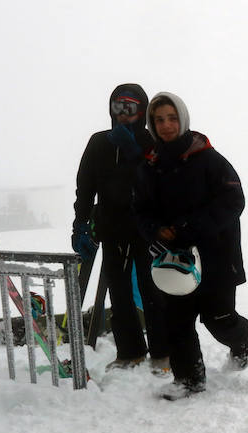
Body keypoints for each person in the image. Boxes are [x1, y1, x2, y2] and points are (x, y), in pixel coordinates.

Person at [134, 91, 248, 400]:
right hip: (175, 258)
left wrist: (189, 226)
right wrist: (155, 230)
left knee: (218, 318)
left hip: (216, 254)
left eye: (172, 118)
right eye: (159, 119)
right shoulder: (150, 165)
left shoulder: (209, 159)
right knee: (176, 320)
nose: (166, 125)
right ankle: (189, 380)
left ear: (183, 119)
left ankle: (244, 340)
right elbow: (141, 210)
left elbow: (233, 200)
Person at [72, 83, 169, 373]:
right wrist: (80, 223)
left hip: (146, 228)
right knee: (119, 290)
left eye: (131, 107)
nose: (124, 113)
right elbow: (85, 186)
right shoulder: (99, 142)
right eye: (118, 106)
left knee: (153, 290)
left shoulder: (153, 142)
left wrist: (135, 151)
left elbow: (160, 183)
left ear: (142, 110)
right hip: (111, 228)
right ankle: (130, 351)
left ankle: (163, 352)